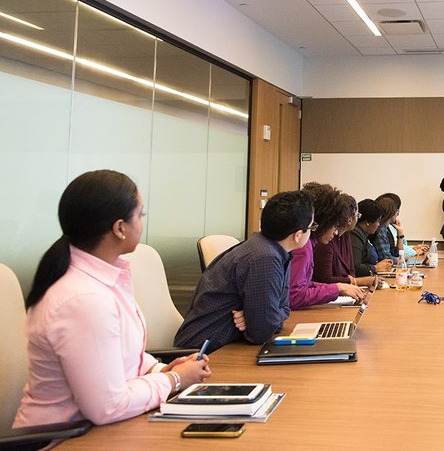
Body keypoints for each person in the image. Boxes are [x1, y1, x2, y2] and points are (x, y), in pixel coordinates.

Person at [14, 170, 211, 428]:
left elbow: (124, 357)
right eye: (140, 215)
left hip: (104, 429)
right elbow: (108, 407)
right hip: (65, 439)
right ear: (120, 228)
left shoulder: (105, 281)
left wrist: (160, 369)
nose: (142, 222)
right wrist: (174, 379)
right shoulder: (84, 299)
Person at [175, 189, 315, 352]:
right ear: (297, 235)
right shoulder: (265, 258)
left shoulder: (274, 250)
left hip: (226, 345)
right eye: (312, 227)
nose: (312, 231)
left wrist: (256, 318)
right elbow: (261, 333)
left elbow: (284, 308)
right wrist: (260, 320)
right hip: (204, 354)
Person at [289, 182, 368, 309]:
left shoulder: (309, 243)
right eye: (335, 226)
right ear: (324, 222)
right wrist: (337, 288)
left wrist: (340, 287)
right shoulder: (302, 247)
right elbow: (294, 295)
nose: (336, 232)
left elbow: (305, 285)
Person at [313, 193, 380, 288]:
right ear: (349, 220)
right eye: (358, 215)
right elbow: (325, 279)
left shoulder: (346, 235)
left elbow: (351, 269)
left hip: (346, 291)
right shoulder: (326, 240)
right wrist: (356, 281)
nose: (358, 219)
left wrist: (352, 281)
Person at [350, 199, 391, 276]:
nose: (378, 224)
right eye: (377, 221)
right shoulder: (355, 234)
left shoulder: (363, 233)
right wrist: (375, 268)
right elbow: (355, 266)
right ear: (367, 221)